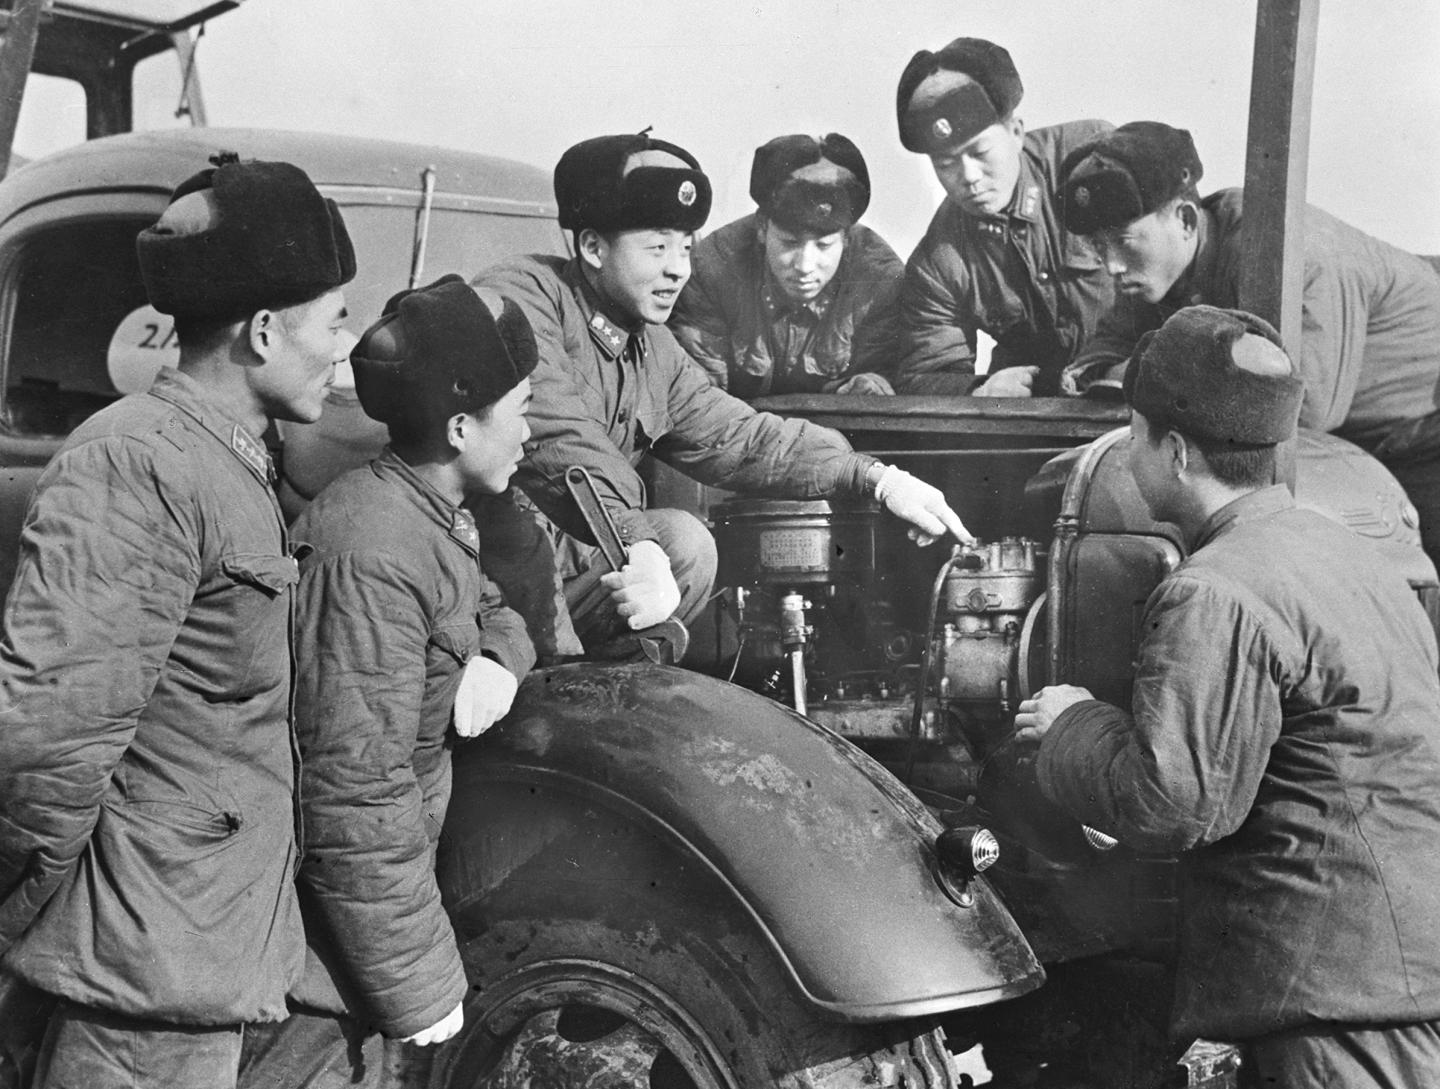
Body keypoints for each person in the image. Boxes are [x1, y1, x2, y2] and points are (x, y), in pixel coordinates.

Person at [1015, 306, 1440, 1087]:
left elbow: (1173, 804)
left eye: (1135, 434)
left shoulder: (1214, 590)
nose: (1130, 453)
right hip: (1394, 977)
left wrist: (1070, 723)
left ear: (1175, 452)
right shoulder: (1353, 558)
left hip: (1327, 1009)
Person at [0, 154, 355, 1089]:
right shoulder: (139, 463)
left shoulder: (230, 458)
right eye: (335, 320)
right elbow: (45, 742)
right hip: (133, 985)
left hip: (193, 952)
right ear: (266, 332)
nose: (345, 347)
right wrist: (25, 932)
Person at [474, 131, 971, 658]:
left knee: (686, 544)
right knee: (662, 550)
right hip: (481, 575)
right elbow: (558, 434)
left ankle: (587, 684)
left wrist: (877, 479)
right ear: (593, 247)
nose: (678, 268)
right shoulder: (521, 296)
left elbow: (742, 437)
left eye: (686, 247)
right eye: (657, 247)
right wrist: (636, 543)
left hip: (555, 567)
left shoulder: (651, 348)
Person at [238, 276, 538, 1087]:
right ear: (460, 426)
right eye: (521, 408)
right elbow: (352, 791)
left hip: (348, 952)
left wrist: (495, 657)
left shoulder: (428, 518)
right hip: (312, 978)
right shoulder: (374, 550)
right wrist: (417, 979)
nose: (529, 431)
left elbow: (498, 610)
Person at [1058, 120, 1440, 568]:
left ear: (1185, 220)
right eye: (1097, 245)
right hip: (1356, 453)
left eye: (1122, 241)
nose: (1111, 266)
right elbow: (1099, 356)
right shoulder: (1156, 271)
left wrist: (1157, 376)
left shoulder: (1285, 256)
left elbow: (1297, 411)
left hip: (1421, 443)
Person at [893, 36, 1113, 396]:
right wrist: (981, 390)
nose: (969, 177)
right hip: (1039, 405)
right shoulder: (937, 262)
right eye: (945, 164)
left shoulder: (1091, 160)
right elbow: (925, 374)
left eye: (980, 152)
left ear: (1016, 132)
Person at [669, 132, 904, 397]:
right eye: (790, 243)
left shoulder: (880, 281)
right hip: (732, 420)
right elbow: (699, 392)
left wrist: (866, 385)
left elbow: (886, 374)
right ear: (762, 228)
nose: (805, 266)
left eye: (824, 245)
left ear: (847, 238)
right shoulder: (712, 268)